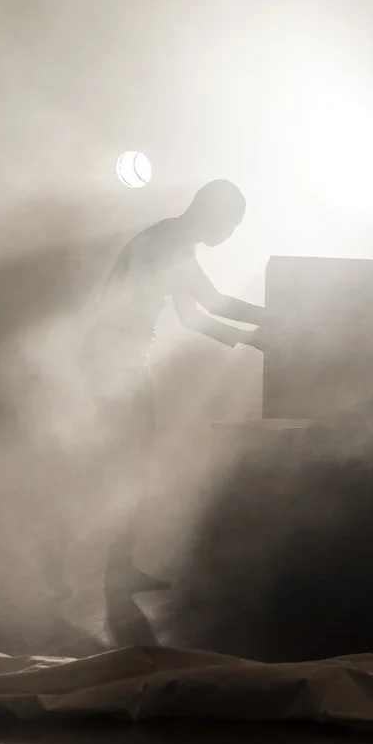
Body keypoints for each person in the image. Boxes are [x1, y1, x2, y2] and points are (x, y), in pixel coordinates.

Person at [84, 179, 263, 602]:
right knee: (125, 465)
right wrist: (275, 321)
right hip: (115, 364)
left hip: (121, 363)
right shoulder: (170, 243)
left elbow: (193, 314)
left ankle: (116, 567)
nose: (231, 233)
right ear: (212, 212)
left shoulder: (171, 239)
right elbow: (209, 304)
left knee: (129, 463)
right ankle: (100, 566)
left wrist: (258, 331)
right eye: (232, 223)